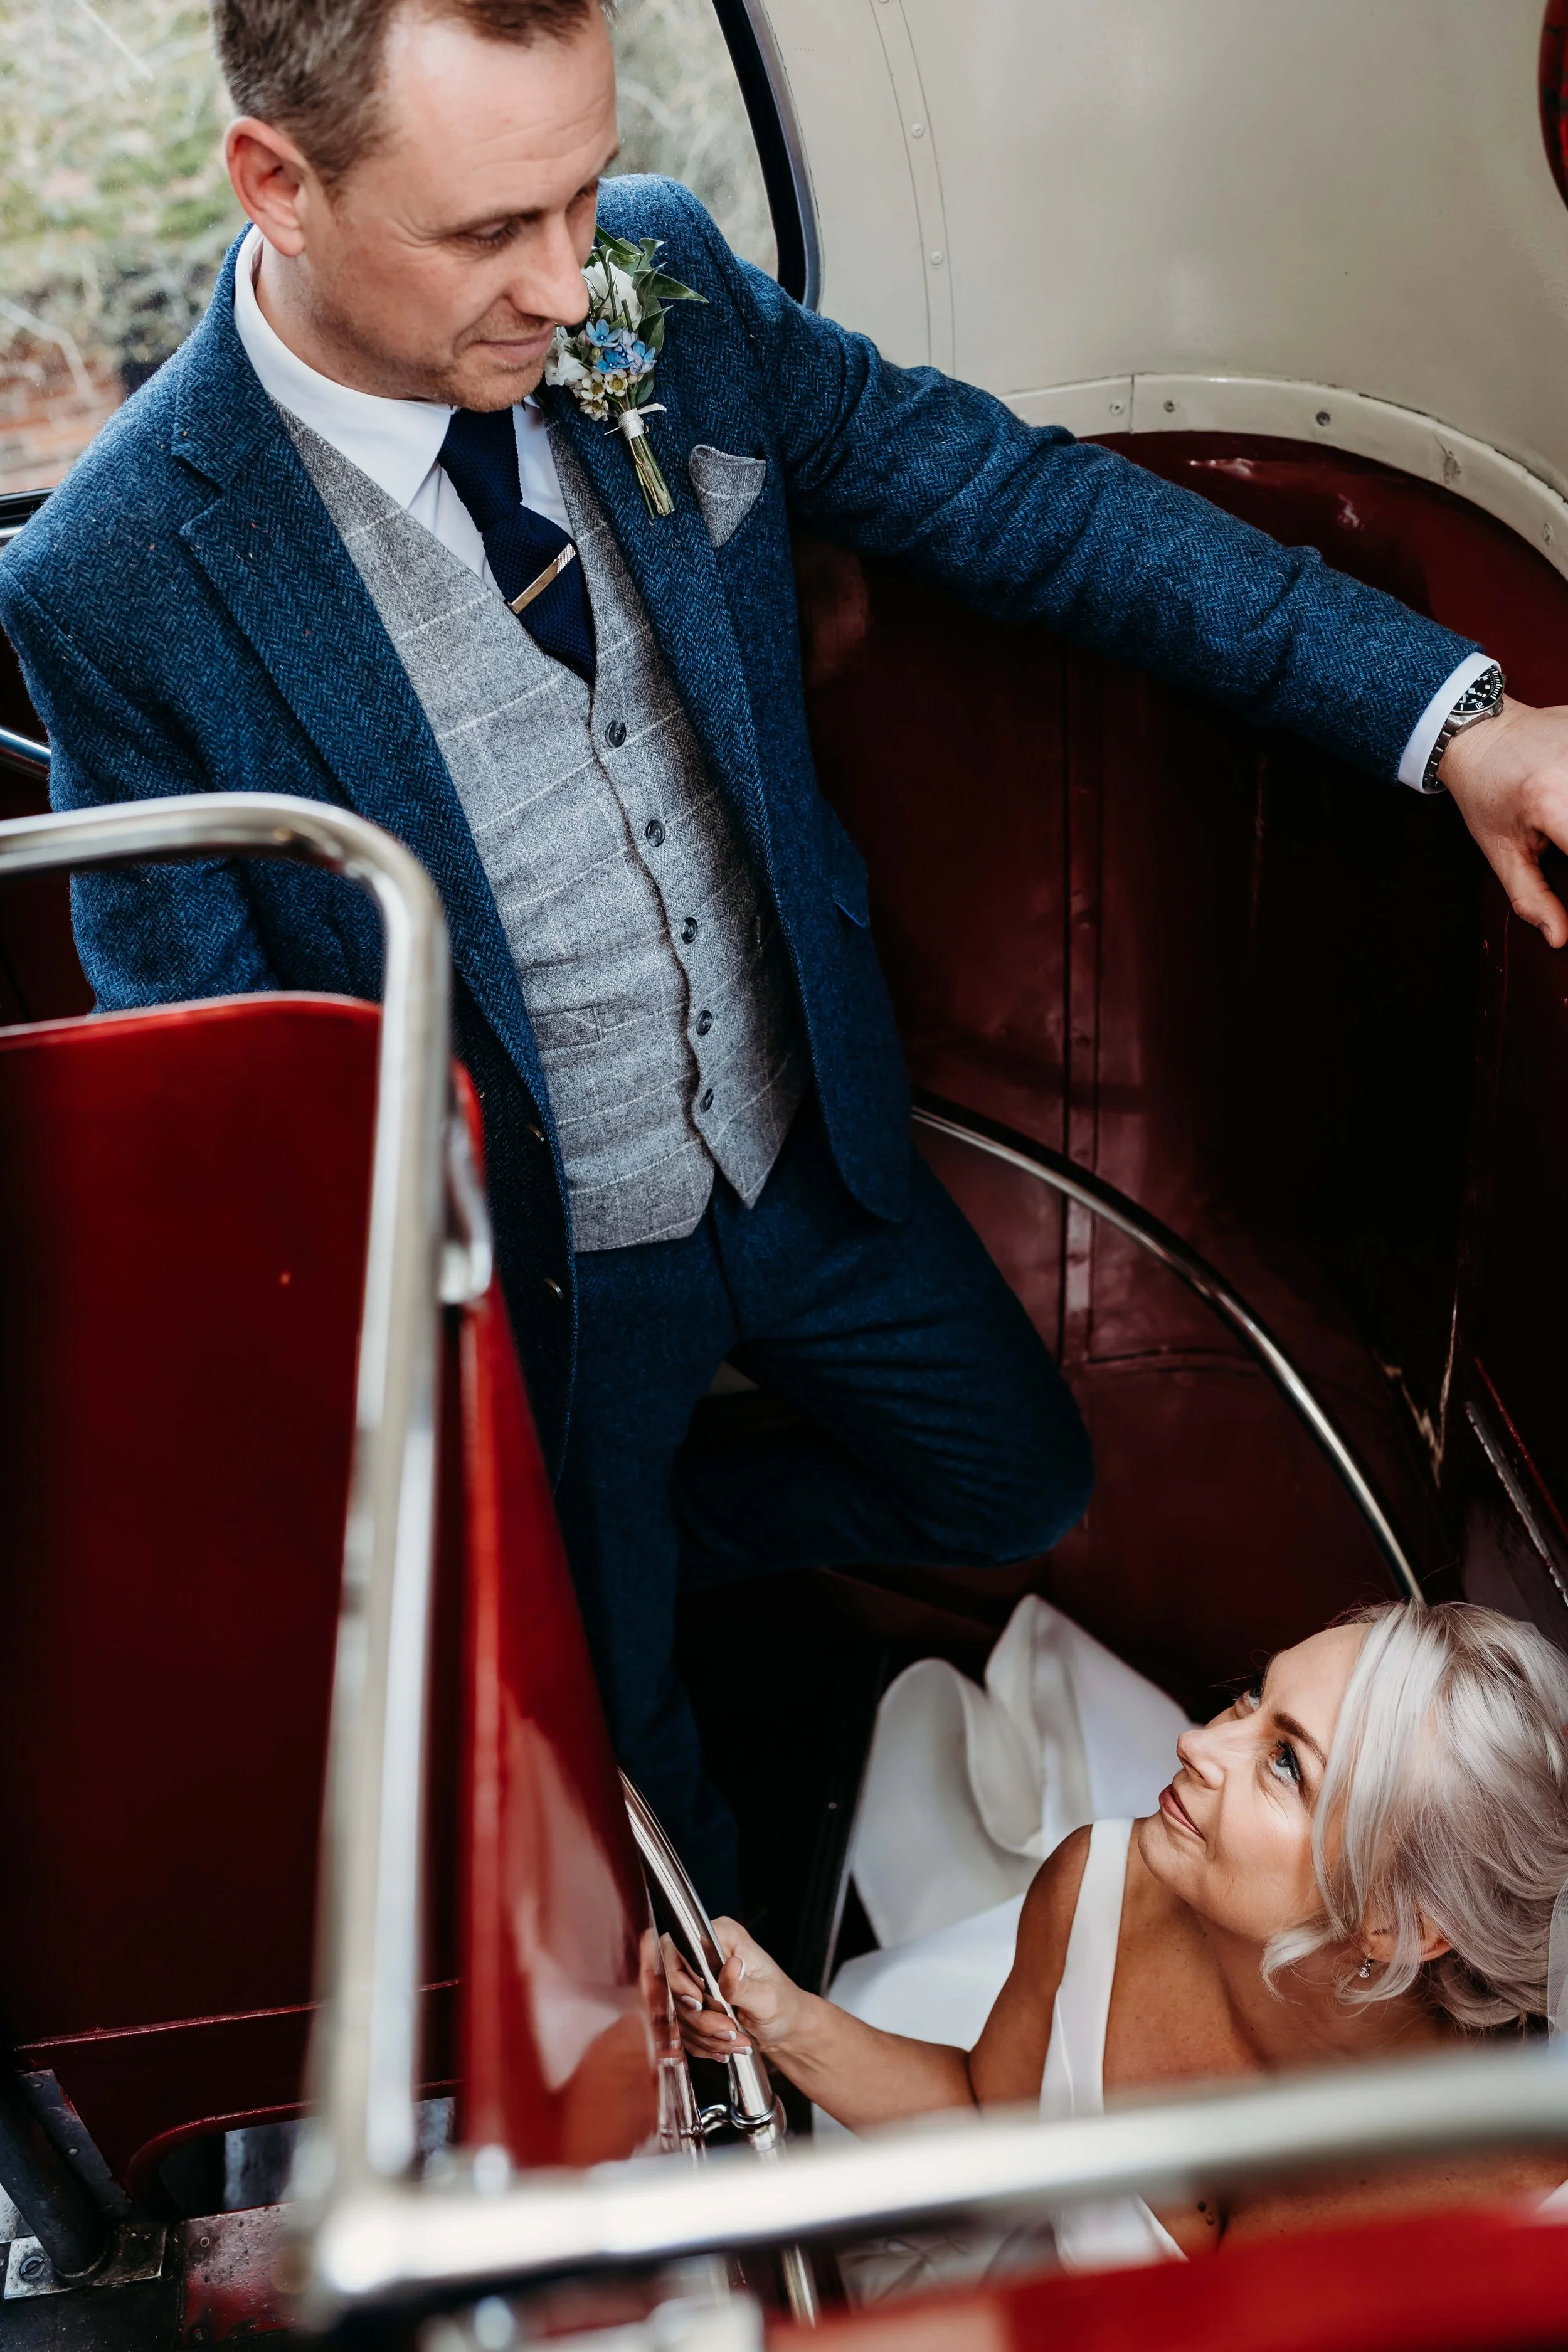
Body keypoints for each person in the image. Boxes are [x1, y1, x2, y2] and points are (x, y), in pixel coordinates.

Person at [5, 0, 1568, 1907]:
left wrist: (1454, 711)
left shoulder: (652, 278)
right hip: (539, 1267)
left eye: (582, 196)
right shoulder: (112, 572)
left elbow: (1018, 502)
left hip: (801, 1130)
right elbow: (204, 1054)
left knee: (1015, 1484)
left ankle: (638, 1545)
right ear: (279, 181)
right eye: (494, 231)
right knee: (623, 1734)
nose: (570, 286)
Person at [668, 1601, 1568, 2277]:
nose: (1197, 1742)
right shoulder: (1101, 1888)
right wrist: (783, 2019)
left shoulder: (1527, 2207)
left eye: (1286, 1762)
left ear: (1400, 1922)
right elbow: (991, 2126)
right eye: (1254, 1697)